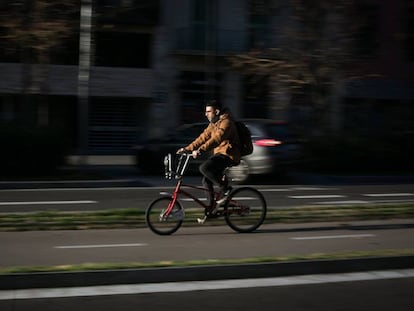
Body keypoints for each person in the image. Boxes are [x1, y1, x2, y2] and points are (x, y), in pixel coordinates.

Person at [177, 100, 240, 206]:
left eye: (208, 111)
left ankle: (226, 189)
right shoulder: (214, 123)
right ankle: (211, 208)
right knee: (206, 180)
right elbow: (203, 137)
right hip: (220, 154)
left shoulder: (227, 122)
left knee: (204, 168)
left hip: (229, 155)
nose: (206, 114)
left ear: (217, 111)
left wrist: (200, 150)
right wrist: (187, 149)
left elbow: (216, 139)